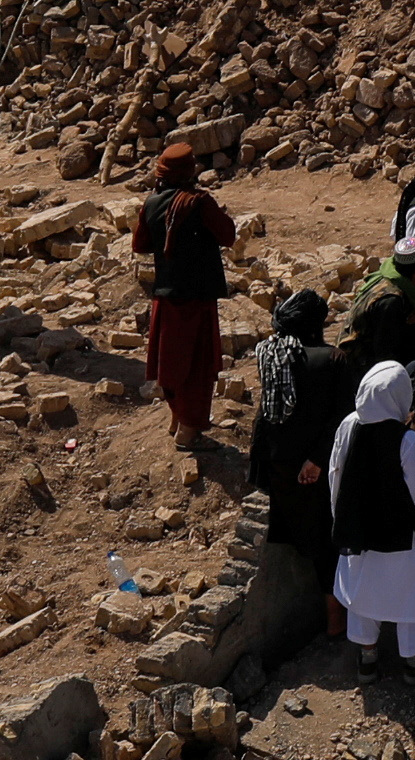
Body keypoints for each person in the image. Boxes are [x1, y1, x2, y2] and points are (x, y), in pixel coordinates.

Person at [328, 361, 415, 672]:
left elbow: (335, 474)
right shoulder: (405, 439)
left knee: (363, 593)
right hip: (401, 535)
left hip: (358, 530)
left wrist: (340, 516)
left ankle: (367, 659)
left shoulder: (348, 426)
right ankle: (414, 661)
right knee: (410, 597)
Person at [130, 142, 235, 445]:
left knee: (172, 362)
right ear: (190, 171)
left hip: (165, 295)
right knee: (197, 365)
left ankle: (177, 419)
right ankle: (189, 432)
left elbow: (140, 245)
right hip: (198, 298)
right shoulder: (200, 203)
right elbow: (228, 235)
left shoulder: (151, 203)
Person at [250, 292, 348, 609]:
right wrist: (318, 459)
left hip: (281, 467)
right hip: (318, 469)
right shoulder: (333, 359)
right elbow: (341, 417)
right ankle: (337, 620)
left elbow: (267, 414)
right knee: (329, 544)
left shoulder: (272, 354)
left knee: (310, 542)